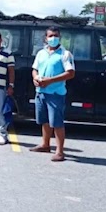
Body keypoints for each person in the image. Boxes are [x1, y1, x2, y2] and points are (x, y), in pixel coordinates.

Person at [32, 26, 76, 162]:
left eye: (56, 36)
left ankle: (60, 151)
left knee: (57, 122)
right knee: (44, 120)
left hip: (56, 94)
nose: (53, 38)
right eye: (50, 36)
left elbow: (70, 73)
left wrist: (50, 81)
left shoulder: (65, 54)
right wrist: (35, 78)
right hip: (41, 92)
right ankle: (45, 144)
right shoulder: (41, 53)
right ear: (45, 38)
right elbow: (34, 69)